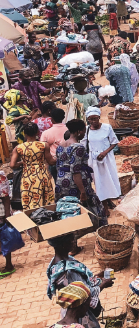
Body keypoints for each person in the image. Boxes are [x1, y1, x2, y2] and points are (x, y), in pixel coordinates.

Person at [55, 119, 107, 255]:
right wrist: (83, 191)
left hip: (61, 182)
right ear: (78, 132)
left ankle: (72, 246)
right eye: (84, 130)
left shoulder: (60, 145)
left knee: (69, 212)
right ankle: (105, 240)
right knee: (98, 210)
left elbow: (59, 165)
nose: (85, 133)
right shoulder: (78, 147)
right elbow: (75, 171)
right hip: (76, 184)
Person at [47, 233, 114, 328]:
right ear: (62, 244)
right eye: (71, 240)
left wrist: (96, 278)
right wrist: (102, 285)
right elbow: (82, 294)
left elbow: (81, 285)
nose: (74, 242)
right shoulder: (67, 271)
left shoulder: (60, 261)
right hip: (80, 315)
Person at [11, 122, 55, 210]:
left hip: (28, 175)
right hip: (42, 174)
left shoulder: (19, 148)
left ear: (24, 133)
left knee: (29, 197)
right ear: (37, 132)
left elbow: (12, 165)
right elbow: (51, 162)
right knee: (45, 197)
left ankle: (31, 215)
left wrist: (23, 163)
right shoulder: (43, 145)